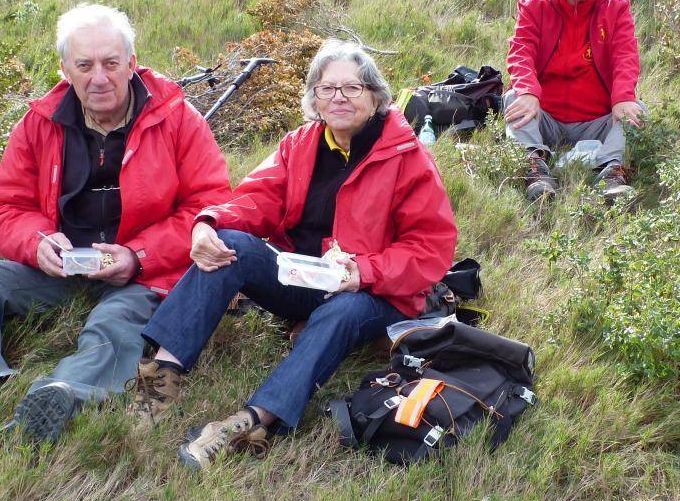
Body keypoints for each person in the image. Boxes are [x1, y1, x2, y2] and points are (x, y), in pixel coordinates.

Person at [0, 4, 231, 452]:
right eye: (85, 65)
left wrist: (138, 255)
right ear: (65, 69)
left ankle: (61, 396)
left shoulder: (178, 120)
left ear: (132, 63)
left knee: (114, 321)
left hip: (144, 275)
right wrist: (37, 244)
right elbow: (6, 208)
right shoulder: (39, 123)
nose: (99, 77)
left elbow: (210, 207)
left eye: (112, 63)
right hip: (58, 269)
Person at [128, 40, 458, 470]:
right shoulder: (300, 143)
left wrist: (362, 271)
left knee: (343, 312)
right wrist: (207, 222)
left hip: (374, 294)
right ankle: (161, 380)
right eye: (326, 88)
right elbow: (256, 200)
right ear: (314, 98)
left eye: (352, 88)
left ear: (375, 97)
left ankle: (252, 421)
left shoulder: (408, 158)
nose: (338, 97)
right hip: (305, 277)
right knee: (231, 246)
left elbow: (431, 248)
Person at [504, 0, 643, 204]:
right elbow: (521, 51)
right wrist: (528, 92)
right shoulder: (534, 8)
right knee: (514, 99)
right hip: (545, 117)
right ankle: (536, 170)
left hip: (597, 120)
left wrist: (623, 98)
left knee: (637, 110)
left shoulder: (616, 10)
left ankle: (612, 173)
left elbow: (626, 56)